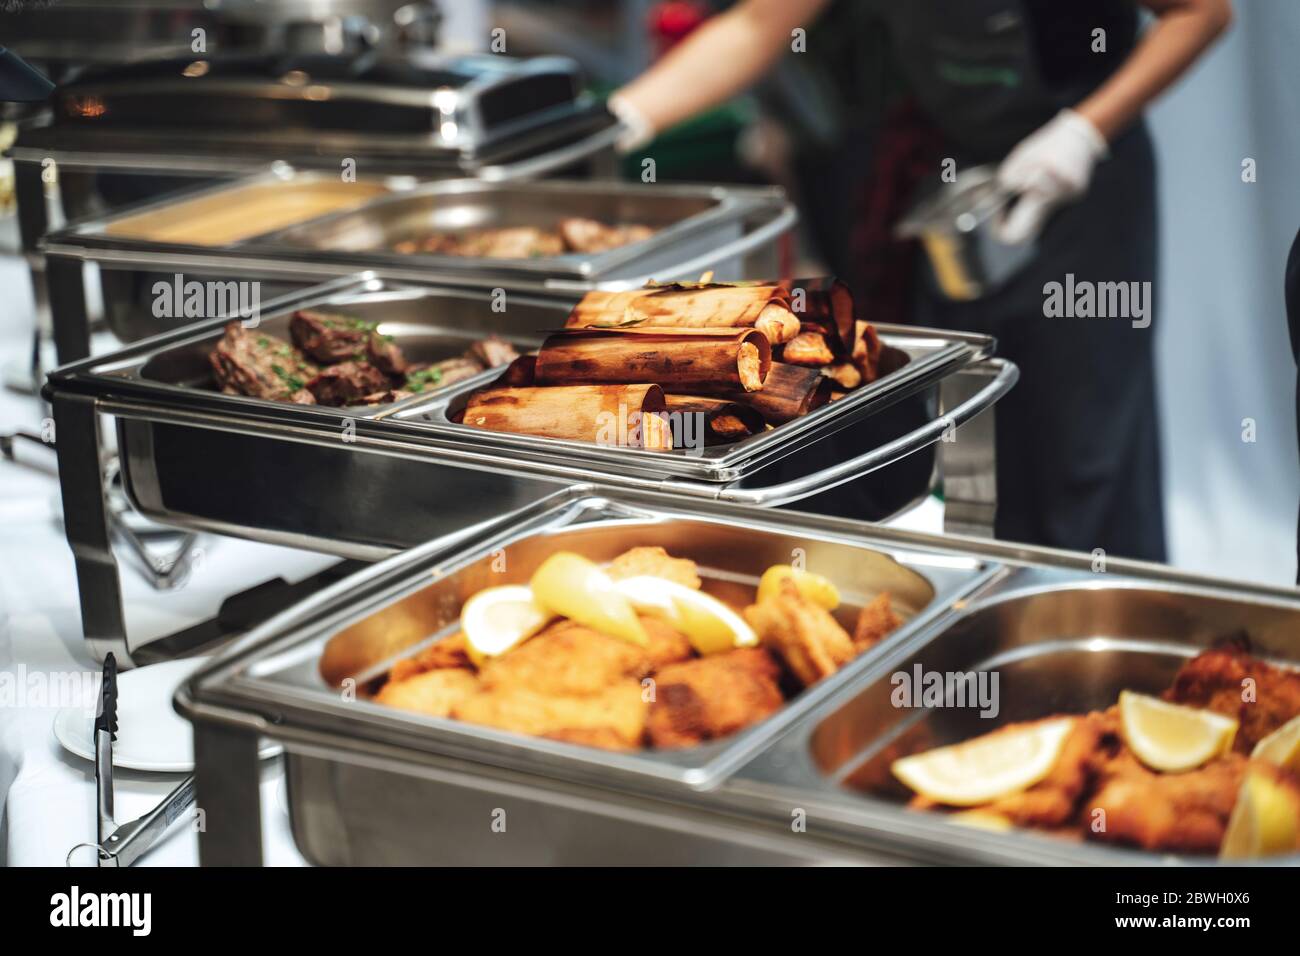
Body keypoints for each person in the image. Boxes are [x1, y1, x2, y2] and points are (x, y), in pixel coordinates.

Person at [608, 0, 1232, 561]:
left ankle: (1103, 626)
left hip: (1084, 187)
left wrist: (1082, 133)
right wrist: (619, 119)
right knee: (971, 426)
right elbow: (755, 25)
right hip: (953, 180)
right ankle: (997, 624)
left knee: (1084, 447)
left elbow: (1202, 14)